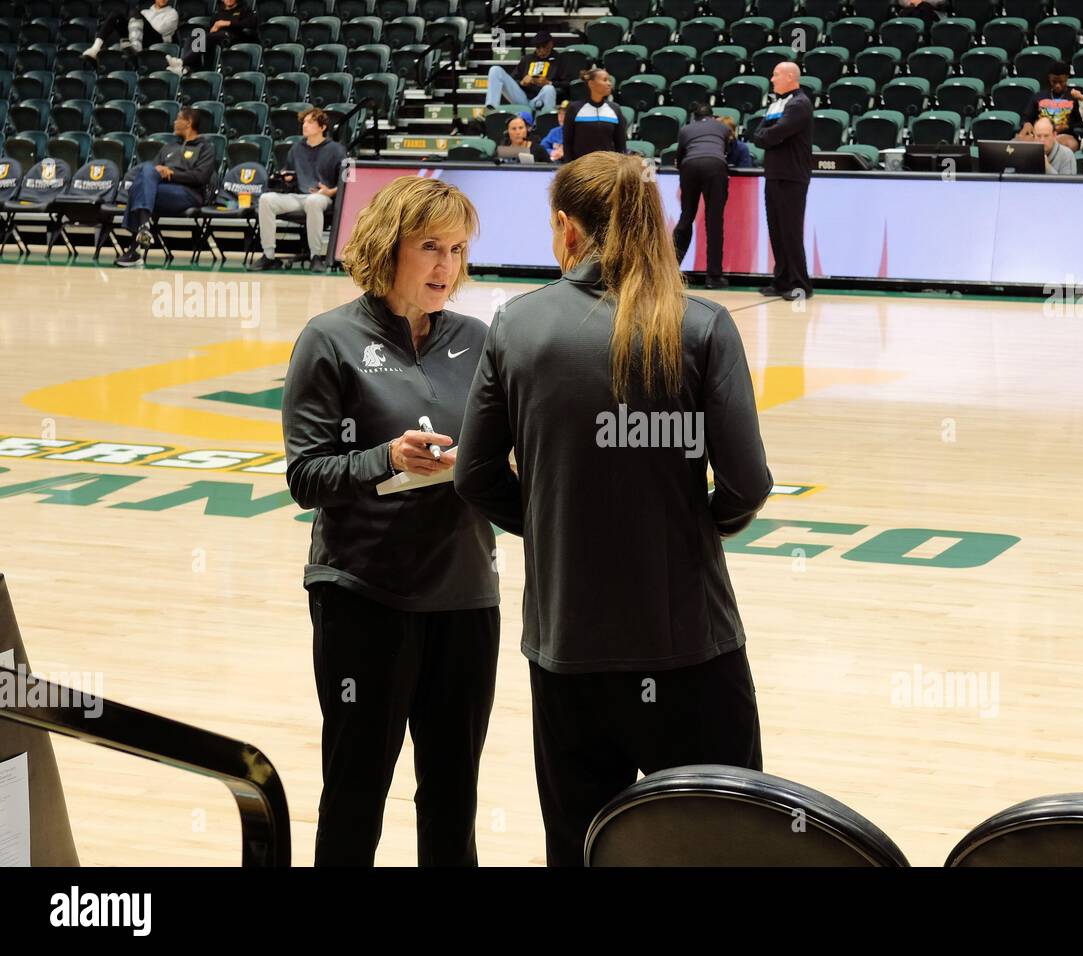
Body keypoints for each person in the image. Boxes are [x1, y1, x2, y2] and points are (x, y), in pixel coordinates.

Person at [454, 151, 772, 867]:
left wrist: (546, 521)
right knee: (723, 847)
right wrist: (699, 525)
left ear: (566, 229)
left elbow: (474, 476)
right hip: (690, 644)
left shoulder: (516, 326)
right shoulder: (703, 326)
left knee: (582, 849)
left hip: (569, 649)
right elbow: (748, 484)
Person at [281, 176, 501, 867]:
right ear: (388, 247)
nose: (446, 266)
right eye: (430, 247)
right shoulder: (330, 340)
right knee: (355, 794)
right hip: (364, 596)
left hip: (466, 597)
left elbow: (508, 457)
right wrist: (385, 458)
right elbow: (306, 476)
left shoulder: (479, 340)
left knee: (453, 797)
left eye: (457, 250)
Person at [114, 106, 215, 267]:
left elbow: (200, 178)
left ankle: (136, 245)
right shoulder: (168, 148)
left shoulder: (205, 148)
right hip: (161, 192)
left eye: (178, 119)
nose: (174, 122)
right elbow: (149, 175)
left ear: (188, 122)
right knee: (146, 170)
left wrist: (172, 173)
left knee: (138, 188)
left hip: (189, 194)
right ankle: (143, 229)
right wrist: (159, 172)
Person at [251, 108, 347, 273]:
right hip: (297, 196)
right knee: (266, 199)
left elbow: (347, 181)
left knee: (313, 201)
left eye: (310, 122)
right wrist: (287, 179)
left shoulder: (336, 150)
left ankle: (315, 256)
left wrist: (331, 192)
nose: (305, 125)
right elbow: (291, 178)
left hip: (322, 197)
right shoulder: (296, 148)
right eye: (304, 122)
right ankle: (268, 256)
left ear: (322, 127)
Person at [751, 61, 814, 301]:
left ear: (790, 76)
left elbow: (777, 133)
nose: (772, 79)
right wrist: (768, 136)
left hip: (792, 175)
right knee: (776, 230)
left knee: (790, 231)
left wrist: (768, 136)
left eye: (776, 74)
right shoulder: (776, 104)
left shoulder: (799, 103)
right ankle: (782, 280)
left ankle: (800, 284)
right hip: (774, 174)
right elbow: (759, 135)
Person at [673, 104, 733, 289]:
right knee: (714, 222)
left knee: (686, 218)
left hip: (690, 166)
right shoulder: (722, 126)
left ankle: (671, 273)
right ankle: (713, 277)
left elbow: (679, 156)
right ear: (712, 116)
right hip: (715, 165)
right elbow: (728, 149)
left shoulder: (685, 129)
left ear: (694, 117)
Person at [166, 0, 258, 76]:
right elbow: (211, 28)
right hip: (215, 37)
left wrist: (226, 23)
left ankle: (182, 62)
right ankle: (186, 69)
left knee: (208, 37)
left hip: (233, 37)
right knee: (194, 35)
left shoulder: (244, 9)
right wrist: (213, 29)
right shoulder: (218, 12)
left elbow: (251, 24)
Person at [485, 30, 564, 113]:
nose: (541, 50)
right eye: (538, 47)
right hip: (522, 98)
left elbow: (567, 84)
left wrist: (549, 83)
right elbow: (513, 80)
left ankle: (546, 119)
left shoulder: (560, 60)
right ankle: (492, 108)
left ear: (550, 44)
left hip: (541, 98)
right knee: (495, 70)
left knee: (549, 89)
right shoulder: (527, 59)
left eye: (544, 46)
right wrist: (522, 82)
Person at [563, 68, 627, 163]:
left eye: (609, 80)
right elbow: (567, 142)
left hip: (607, 168)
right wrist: (568, 167)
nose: (609, 84)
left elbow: (621, 144)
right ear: (591, 83)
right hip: (581, 168)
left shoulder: (615, 109)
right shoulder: (574, 108)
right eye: (605, 80)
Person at [1020, 61, 1083, 152]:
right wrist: (1027, 124)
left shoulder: (1073, 97)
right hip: (1039, 135)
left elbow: (1082, 122)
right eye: (1054, 82)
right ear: (1049, 79)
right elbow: (1026, 117)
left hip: (1063, 136)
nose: (1057, 85)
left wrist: (1068, 126)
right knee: (1016, 142)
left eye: (1061, 82)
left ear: (1067, 78)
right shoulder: (1039, 96)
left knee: (1070, 144)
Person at [82, 0, 178, 60]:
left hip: (156, 40)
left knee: (135, 15)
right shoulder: (145, 12)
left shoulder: (172, 13)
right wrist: (136, 22)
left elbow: (160, 30)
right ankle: (95, 49)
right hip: (137, 36)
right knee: (116, 14)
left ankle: (136, 50)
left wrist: (139, 22)